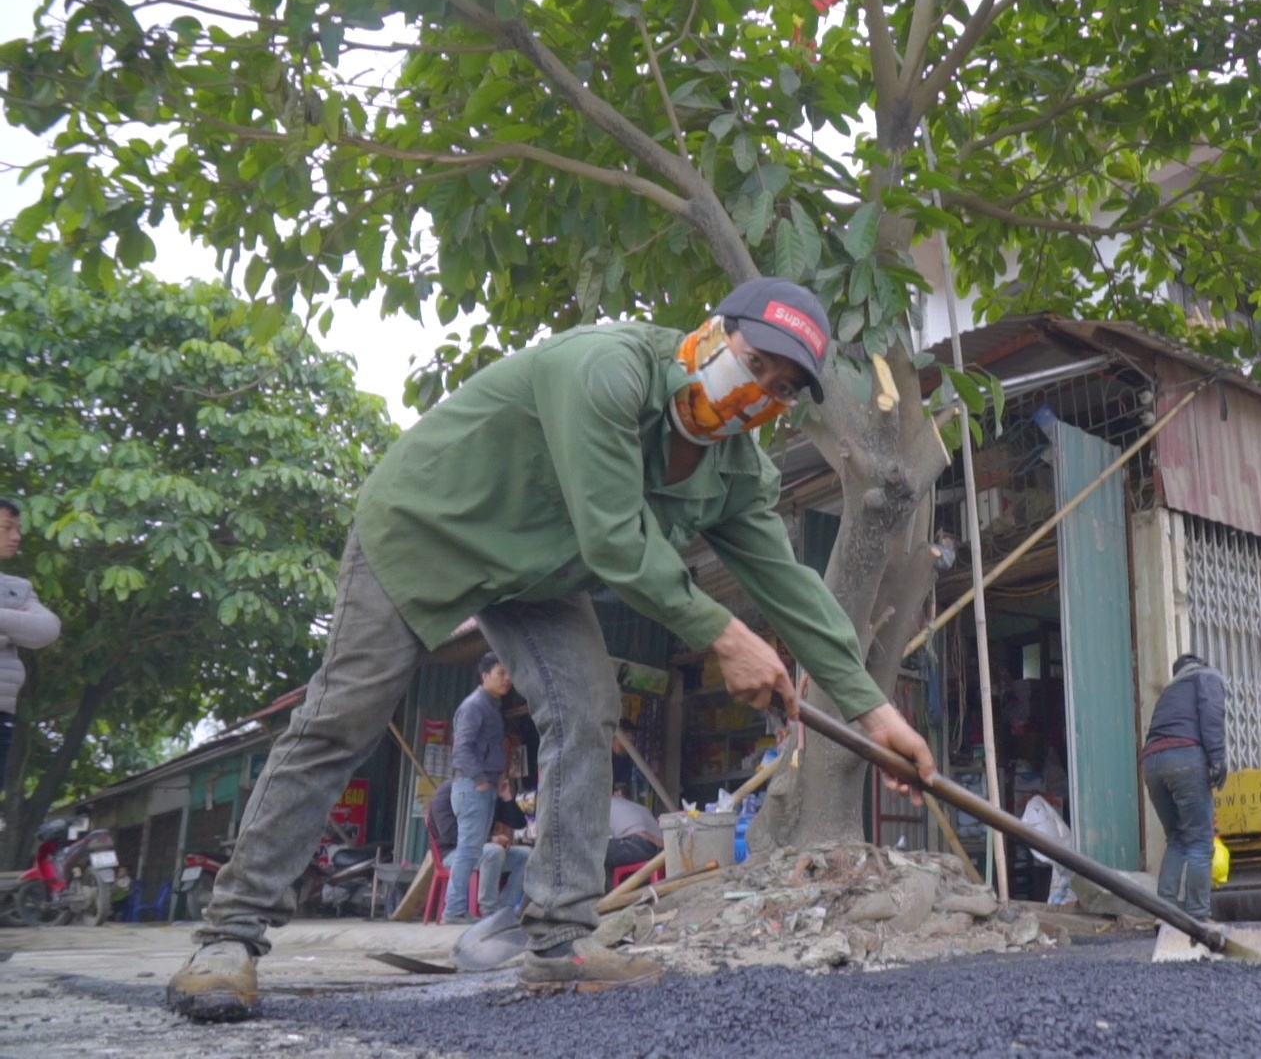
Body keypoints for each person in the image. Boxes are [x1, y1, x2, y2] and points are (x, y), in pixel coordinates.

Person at [167, 277, 938, 1021]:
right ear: (711, 333)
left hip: (538, 567)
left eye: (780, 386)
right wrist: (724, 636)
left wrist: (874, 712)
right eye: (754, 359)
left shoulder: (736, 471)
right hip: (432, 522)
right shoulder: (603, 371)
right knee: (344, 717)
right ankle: (226, 938)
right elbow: (614, 540)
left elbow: (788, 585)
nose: (756, 388)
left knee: (587, 711)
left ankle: (560, 939)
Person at [1140, 653, 1226, 921]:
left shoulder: (1170, 690)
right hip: (1185, 758)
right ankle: (1197, 917)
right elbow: (1212, 719)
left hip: (1152, 763)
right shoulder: (1207, 677)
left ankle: (1165, 915)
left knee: (1176, 837)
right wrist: (1218, 760)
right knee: (1200, 841)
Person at [442, 653, 515, 924]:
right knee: (469, 851)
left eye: (509, 674)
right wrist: (481, 780)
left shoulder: (492, 706)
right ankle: (454, 911)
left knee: (472, 851)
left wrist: (498, 779)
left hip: (482, 788)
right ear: (485, 676)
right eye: (500, 673)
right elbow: (461, 749)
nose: (507, 679)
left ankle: (485, 912)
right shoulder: (474, 706)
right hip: (472, 787)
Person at [0, 498, 60, 788]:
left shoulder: (16, 588)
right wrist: (13, 621)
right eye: (6, 528)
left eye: (18, 529)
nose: (16, 537)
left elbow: (46, 630)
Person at [427, 773, 530, 921]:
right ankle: (489, 912)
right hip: (452, 853)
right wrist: (491, 839)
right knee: (492, 851)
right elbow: (449, 834)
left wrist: (506, 796)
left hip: (483, 851)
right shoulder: (446, 792)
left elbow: (519, 823)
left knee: (526, 855)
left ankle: (504, 910)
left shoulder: (489, 794)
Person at [604, 792, 663, 888]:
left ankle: (607, 895)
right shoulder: (624, 802)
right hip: (659, 849)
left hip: (638, 844)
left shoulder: (600, 806)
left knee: (594, 852)